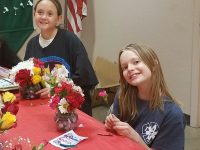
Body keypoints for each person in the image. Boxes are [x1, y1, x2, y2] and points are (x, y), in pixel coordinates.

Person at [24, 0, 98, 116]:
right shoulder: (32, 44)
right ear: (34, 15)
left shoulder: (70, 40)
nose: (44, 17)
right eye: (40, 12)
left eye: (50, 14)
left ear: (58, 19)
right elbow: (29, 77)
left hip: (71, 109)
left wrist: (55, 89)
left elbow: (84, 76)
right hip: (44, 106)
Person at [105, 43, 185, 150]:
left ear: (154, 64)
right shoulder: (122, 96)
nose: (130, 69)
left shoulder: (172, 113)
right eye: (124, 67)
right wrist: (111, 125)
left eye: (136, 62)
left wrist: (136, 138)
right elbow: (113, 135)